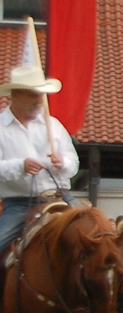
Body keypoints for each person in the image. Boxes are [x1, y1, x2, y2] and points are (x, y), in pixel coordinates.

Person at [0, 56, 78, 252]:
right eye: (33, 95)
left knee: (101, 236)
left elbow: (74, 162)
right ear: (15, 95)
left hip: (61, 197)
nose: (40, 100)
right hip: (20, 205)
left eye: (41, 94)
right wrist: (20, 166)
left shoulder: (53, 125)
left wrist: (63, 162)